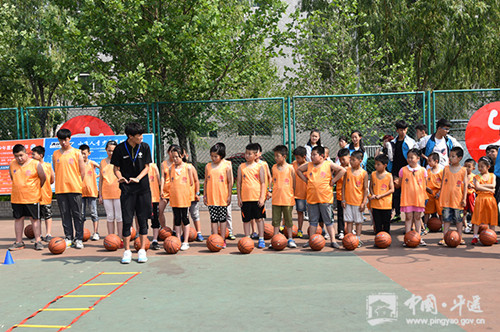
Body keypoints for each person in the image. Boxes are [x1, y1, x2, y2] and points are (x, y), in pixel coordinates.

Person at [111, 123, 152, 263]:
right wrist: (120, 177)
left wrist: (138, 178)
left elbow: (147, 167)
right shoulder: (120, 149)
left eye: (142, 135)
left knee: (142, 220)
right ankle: (127, 251)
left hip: (143, 189)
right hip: (127, 190)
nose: (141, 137)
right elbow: (116, 168)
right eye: (138, 135)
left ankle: (142, 250)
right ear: (130, 136)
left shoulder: (145, 147)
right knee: (127, 220)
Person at [297, 146, 345, 249]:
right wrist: (305, 180)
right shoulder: (309, 165)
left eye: (314, 155)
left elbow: (342, 170)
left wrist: (333, 181)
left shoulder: (328, 164)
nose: (312, 157)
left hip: (325, 198)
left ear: (322, 156)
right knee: (313, 222)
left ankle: (333, 241)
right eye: (311, 155)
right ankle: (311, 240)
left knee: (328, 221)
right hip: (312, 199)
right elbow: (298, 170)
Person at [8, 144, 46, 251]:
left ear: (26, 153)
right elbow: (13, 178)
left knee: (34, 219)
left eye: (21, 155)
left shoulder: (35, 164)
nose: (19, 158)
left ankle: (38, 241)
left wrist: (35, 189)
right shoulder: (12, 164)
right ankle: (19, 242)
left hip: (32, 197)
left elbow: (43, 178)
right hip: (17, 198)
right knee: (18, 219)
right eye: (16, 156)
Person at [53, 129, 86, 249]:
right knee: (65, 214)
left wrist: (76, 183)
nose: (63, 142)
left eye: (65, 139)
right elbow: (56, 170)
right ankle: (68, 237)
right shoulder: (55, 154)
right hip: (61, 189)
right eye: (61, 140)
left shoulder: (77, 153)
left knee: (77, 214)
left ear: (69, 139)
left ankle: (79, 238)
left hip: (75, 188)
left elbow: (82, 172)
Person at [237, 143, 267, 248]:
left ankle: (261, 238)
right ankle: (247, 238)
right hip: (245, 199)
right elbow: (239, 183)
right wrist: (239, 198)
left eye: (249, 154)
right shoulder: (241, 167)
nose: (247, 155)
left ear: (256, 155)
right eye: (246, 153)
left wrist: (262, 197)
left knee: (259, 219)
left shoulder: (260, 167)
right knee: (246, 220)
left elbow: (263, 183)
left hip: (257, 198)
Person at [387, 120, 417, 223]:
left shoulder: (411, 142)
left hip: (407, 171)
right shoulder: (392, 143)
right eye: (400, 130)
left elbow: (414, 156)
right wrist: (391, 171)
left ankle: (410, 216)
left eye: (404, 129)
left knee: (408, 193)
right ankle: (397, 214)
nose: (403, 132)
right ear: (397, 130)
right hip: (396, 170)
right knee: (396, 193)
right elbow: (391, 158)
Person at [204, 143, 233, 248]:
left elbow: (230, 182)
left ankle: (223, 239)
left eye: (215, 156)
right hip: (212, 197)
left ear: (221, 155)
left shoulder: (227, 165)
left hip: (222, 197)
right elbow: (206, 182)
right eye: (212, 156)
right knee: (213, 219)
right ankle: (215, 238)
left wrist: (229, 195)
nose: (213, 158)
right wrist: (205, 195)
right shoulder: (208, 166)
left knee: (222, 219)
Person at [396, 148, 427, 246]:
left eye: (412, 158)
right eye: (408, 157)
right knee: (408, 218)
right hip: (407, 198)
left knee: (417, 218)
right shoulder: (403, 170)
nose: (409, 159)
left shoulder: (423, 170)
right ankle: (407, 238)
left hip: (418, 198)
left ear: (418, 158)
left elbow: (425, 184)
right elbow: (400, 183)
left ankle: (418, 238)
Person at [437, 147, 467, 246]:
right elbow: (442, 183)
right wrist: (439, 192)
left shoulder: (463, 170)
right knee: (446, 220)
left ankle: (460, 237)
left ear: (459, 158)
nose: (450, 158)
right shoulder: (446, 168)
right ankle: (445, 237)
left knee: (459, 220)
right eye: (449, 156)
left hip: (458, 200)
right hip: (446, 200)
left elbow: (466, 185)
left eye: (453, 156)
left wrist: (464, 198)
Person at [270, 145, 297, 249]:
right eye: (275, 156)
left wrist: (291, 193)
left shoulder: (290, 168)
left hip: (287, 199)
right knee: (276, 221)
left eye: (278, 156)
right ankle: (275, 238)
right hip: (276, 199)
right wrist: (270, 191)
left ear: (284, 156)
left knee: (288, 220)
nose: (275, 158)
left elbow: (294, 183)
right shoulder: (273, 167)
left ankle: (290, 239)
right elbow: (272, 181)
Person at [168, 146, 194, 251]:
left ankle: (186, 241)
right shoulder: (171, 168)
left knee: (185, 218)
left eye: (176, 157)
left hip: (184, 198)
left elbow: (191, 182)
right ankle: (178, 240)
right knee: (177, 220)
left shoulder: (188, 167)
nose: (174, 159)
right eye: (173, 157)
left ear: (182, 156)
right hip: (174, 198)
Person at [341, 150, 368, 247]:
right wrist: (343, 199)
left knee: (358, 222)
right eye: (350, 160)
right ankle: (349, 238)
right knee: (349, 221)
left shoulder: (364, 173)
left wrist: (363, 202)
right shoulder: (347, 171)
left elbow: (365, 189)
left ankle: (358, 238)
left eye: (353, 160)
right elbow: (343, 186)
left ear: (360, 161)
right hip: (348, 201)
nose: (351, 162)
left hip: (358, 201)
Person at [471, 157, 498, 245]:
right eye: (479, 166)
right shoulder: (477, 177)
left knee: (492, 218)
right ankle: (475, 236)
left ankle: (493, 235)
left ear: (488, 167)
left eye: (482, 166)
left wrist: (484, 186)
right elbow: (478, 187)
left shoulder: (492, 175)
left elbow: (494, 185)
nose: (480, 168)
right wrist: (489, 189)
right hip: (480, 199)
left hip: (490, 200)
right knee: (477, 218)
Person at [99, 140, 122, 238]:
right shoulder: (103, 162)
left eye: (113, 151)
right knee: (110, 217)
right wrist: (100, 195)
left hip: (118, 193)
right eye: (109, 150)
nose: (111, 153)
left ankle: (120, 238)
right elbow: (100, 180)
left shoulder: (120, 161)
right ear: (106, 150)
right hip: (106, 193)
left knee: (119, 217)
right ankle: (111, 238)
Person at [31, 146, 54, 242]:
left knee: (47, 215)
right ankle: (38, 235)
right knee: (37, 217)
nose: (32, 156)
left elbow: (52, 179)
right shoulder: (31, 166)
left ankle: (48, 234)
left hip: (46, 194)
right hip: (34, 196)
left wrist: (46, 185)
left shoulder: (48, 166)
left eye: (34, 154)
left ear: (40, 155)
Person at [79, 144, 101, 241]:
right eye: (81, 153)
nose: (83, 155)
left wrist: (96, 176)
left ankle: (96, 232)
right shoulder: (78, 164)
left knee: (93, 213)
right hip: (81, 191)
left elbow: (102, 168)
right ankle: (81, 232)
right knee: (81, 214)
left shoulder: (92, 163)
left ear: (89, 153)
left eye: (84, 153)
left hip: (91, 191)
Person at [369, 154, 394, 234]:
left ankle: (387, 240)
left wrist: (381, 196)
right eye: (375, 164)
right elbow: (370, 187)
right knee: (377, 224)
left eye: (378, 164)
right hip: (375, 204)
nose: (376, 166)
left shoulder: (389, 176)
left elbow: (392, 189)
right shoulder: (373, 174)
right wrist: (372, 194)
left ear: (385, 165)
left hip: (386, 204)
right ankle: (379, 240)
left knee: (386, 224)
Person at [250, 143, 271, 239]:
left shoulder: (264, 164)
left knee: (259, 214)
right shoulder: (248, 165)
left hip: (261, 193)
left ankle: (261, 232)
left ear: (260, 153)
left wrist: (269, 190)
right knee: (251, 214)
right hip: (252, 193)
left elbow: (269, 178)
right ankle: (254, 231)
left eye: (256, 152)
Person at [184, 149, 203, 242]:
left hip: (192, 196)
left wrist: (197, 193)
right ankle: (185, 234)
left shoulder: (190, 167)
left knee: (195, 215)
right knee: (184, 217)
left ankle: (199, 232)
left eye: (182, 154)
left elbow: (196, 181)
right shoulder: (176, 168)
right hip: (182, 198)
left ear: (186, 156)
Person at [423, 153, 443, 234]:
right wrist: (427, 189)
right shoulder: (427, 171)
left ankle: (442, 225)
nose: (428, 163)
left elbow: (444, 184)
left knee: (441, 212)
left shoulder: (441, 172)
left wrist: (439, 192)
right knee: (427, 211)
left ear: (436, 161)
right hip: (429, 194)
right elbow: (424, 183)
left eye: (430, 161)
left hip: (438, 194)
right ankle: (425, 226)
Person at [159, 145, 176, 232]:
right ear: (168, 152)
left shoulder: (177, 164)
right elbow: (162, 177)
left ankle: (174, 230)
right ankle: (163, 229)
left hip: (175, 190)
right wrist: (161, 189)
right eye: (171, 151)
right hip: (165, 190)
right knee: (160, 210)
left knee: (176, 212)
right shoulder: (164, 164)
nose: (172, 154)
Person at [292, 146, 307, 238]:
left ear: (304, 157)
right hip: (296, 193)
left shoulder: (308, 166)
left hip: (306, 194)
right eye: (295, 157)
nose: (296, 160)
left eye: (298, 158)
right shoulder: (293, 164)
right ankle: (299, 229)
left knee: (312, 214)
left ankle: (316, 230)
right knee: (298, 212)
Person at [336, 148, 350, 239]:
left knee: (350, 214)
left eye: (344, 159)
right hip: (340, 195)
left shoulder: (353, 168)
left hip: (350, 196)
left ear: (349, 157)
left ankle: (350, 230)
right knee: (341, 214)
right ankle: (341, 231)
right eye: (340, 159)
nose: (342, 161)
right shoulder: (338, 168)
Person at [148, 162, 162, 250]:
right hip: (142, 197)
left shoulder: (153, 166)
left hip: (153, 197)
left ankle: (155, 240)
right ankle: (142, 238)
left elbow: (159, 181)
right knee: (142, 218)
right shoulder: (137, 165)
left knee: (155, 219)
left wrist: (162, 193)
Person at [463, 158, 476, 234]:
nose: (466, 168)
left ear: (473, 168)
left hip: (471, 195)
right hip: (464, 195)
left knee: (473, 211)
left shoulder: (474, 177)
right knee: (463, 211)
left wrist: (472, 186)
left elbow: (477, 186)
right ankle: (466, 227)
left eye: (469, 166)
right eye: (465, 166)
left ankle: (473, 225)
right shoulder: (461, 176)